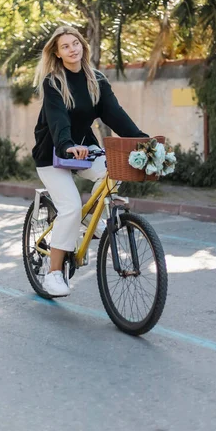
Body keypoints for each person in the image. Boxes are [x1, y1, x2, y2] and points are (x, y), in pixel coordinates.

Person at [32, 25, 148, 297]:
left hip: (84, 150)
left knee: (113, 171)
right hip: (53, 152)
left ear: (83, 46)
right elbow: (58, 120)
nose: (72, 49)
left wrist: (142, 140)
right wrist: (67, 145)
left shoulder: (96, 80)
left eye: (76, 43)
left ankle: (85, 224)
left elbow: (115, 116)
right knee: (71, 207)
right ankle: (54, 273)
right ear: (58, 54)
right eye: (65, 46)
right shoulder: (53, 82)